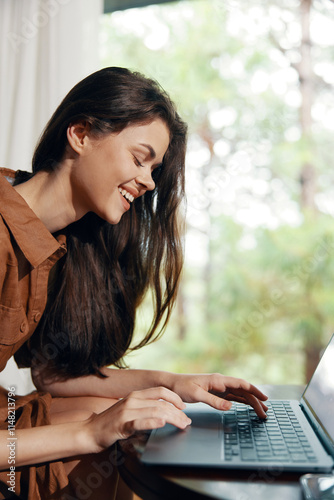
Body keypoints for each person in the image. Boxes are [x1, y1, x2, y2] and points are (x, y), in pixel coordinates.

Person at [0, 67, 268, 499]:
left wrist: (171, 383)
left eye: (154, 168)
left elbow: (52, 375)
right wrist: (90, 432)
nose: (147, 181)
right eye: (139, 157)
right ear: (81, 134)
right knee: (104, 434)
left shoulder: (63, 239)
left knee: (133, 428)